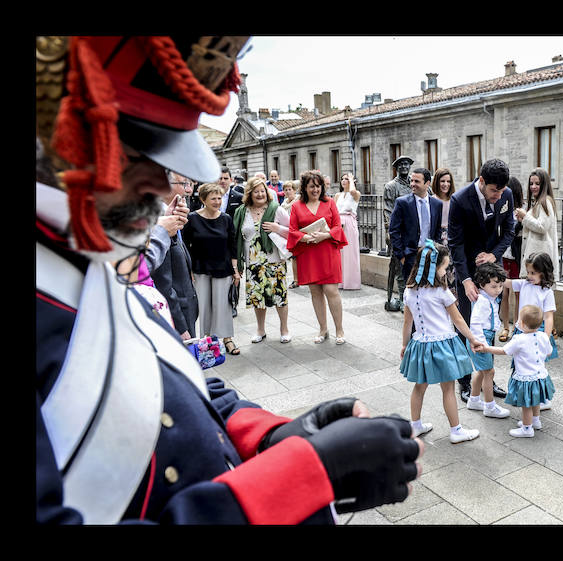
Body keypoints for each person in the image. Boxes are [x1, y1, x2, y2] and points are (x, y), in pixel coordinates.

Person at [35, 34, 423, 525]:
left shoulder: (86, 247)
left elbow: (169, 374)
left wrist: (270, 436)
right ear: (62, 135)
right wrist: (300, 475)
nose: (162, 183)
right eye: (140, 152)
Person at [448, 158, 517, 402]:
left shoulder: (506, 195)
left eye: (501, 190)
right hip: (466, 270)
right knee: (467, 326)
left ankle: (487, 377)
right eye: (493, 190)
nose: (498, 195)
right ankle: (465, 383)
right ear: (481, 180)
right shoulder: (459, 200)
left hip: (491, 273)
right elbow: (454, 242)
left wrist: (494, 255)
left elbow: (509, 231)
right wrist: (465, 279)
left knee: (488, 327)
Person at [399, 240, 481, 444]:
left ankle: (415, 425)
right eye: (444, 267)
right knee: (448, 389)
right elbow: (458, 319)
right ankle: (456, 430)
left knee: (419, 387)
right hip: (443, 345)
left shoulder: (409, 291)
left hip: (420, 345)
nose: (446, 272)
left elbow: (407, 323)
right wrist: (472, 338)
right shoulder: (441, 292)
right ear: (434, 268)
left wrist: (404, 344)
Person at [474, 304, 555, 438]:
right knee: (535, 401)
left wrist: (486, 348)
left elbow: (503, 351)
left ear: (522, 323)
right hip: (540, 376)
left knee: (526, 404)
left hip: (526, 378)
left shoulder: (519, 339)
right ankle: (535, 421)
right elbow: (548, 353)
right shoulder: (543, 336)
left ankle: (527, 428)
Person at [287, 170, 349, 344]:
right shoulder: (296, 206)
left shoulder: (329, 203)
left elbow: (337, 226)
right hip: (309, 252)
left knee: (331, 290)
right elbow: (292, 230)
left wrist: (325, 236)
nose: (316, 189)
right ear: (304, 188)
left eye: (318, 186)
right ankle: (323, 329)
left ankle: (340, 329)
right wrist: (305, 238)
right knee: (315, 291)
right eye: (312, 186)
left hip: (328, 250)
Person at [182, 183, 241, 355]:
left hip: (223, 268)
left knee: (223, 306)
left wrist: (235, 269)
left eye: (219, 198)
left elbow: (232, 245)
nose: (217, 201)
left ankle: (227, 339)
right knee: (204, 305)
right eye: (213, 198)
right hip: (200, 268)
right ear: (203, 200)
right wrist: (189, 268)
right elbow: (185, 244)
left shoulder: (226, 219)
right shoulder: (192, 218)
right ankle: (206, 342)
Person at [234, 176, 293, 344]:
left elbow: (292, 231)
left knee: (279, 297)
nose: (260, 194)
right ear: (249, 194)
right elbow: (238, 236)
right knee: (257, 297)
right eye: (256, 192)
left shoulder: (276, 209)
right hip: (253, 262)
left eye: (262, 191)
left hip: (274, 260)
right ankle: (260, 329)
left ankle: (284, 329)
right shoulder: (242, 211)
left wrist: (277, 228)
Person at [147, 172, 199, 340]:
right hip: (176, 315)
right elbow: (163, 282)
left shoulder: (168, 215)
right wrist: (180, 325)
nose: (189, 190)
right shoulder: (156, 220)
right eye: (184, 184)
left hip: (186, 306)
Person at [506, 252, 559, 411]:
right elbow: (506, 283)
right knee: (520, 364)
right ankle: (522, 395)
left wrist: (546, 338)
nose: (528, 276)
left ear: (544, 273)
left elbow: (549, 317)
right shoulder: (523, 284)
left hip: (538, 332)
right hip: (521, 330)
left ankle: (540, 398)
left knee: (536, 365)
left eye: (533, 273)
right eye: (528, 272)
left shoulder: (547, 292)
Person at [463, 262, 510, 420]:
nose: (498, 290)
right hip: (480, 339)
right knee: (489, 372)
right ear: (482, 285)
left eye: (500, 286)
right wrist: (481, 344)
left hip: (483, 338)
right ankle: (490, 406)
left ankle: (474, 400)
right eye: (494, 286)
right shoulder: (483, 301)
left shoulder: (488, 298)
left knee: (482, 372)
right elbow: (475, 324)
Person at [389, 167, 443, 284]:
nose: (412, 184)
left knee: (430, 291)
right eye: (411, 181)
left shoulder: (437, 204)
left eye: (417, 181)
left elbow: (438, 229)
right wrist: (402, 256)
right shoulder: (402, 203)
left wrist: (436, 249)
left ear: (427, 183)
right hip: (410, 257)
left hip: (430, 255)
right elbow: (393, 230)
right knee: (411, 293)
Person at [517, 168, 559, 281]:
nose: (533, 187)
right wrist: (523, 220)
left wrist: (525, 216)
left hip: (539, 259)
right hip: (536, 258)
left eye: (537, 183)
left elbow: (542, 227)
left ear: (544, 185)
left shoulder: (546, 202)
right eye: (531, 183)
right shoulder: (540, 202)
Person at [383, 156, 414, 311]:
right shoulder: (391, 186)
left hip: (414, 232)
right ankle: (402, 298)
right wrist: (389, 231)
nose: (404, 166)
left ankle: (413, 297)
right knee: (400, 268)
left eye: (406, 164)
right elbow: (387, 210)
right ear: (396, 167)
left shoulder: (414, 184)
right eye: (401, 164)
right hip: (399, 232)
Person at [499, 176, 525, 342]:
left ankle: (516, 325)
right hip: (503, 254)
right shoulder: (501, 207)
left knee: (517, 293)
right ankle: (505, 327)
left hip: (515, 256)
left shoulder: (522, 210)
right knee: (503, 292)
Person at [335, 172, 362, 290]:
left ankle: (352, 282)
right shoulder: (337, 195)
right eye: (342, 179)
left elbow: (352, 192)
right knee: (339, 253)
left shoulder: (356, 194)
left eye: (346, 179)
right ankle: (340, 281)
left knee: (350, 252)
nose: (344, 181)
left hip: (349, 223)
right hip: (338, 223)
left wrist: (351, 179)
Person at [280, 181, 301, 289]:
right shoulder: (283, 204)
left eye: (290, 189)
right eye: (286, 190)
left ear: (294, 190)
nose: (288, 192)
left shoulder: (299, 200)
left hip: (300, 230)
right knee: (294, 257)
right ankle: (296, 280)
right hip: (289, 232)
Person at [432, 167, 456, 245]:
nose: (446, 184)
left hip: (452, 238)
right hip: (436, 240)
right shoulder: (431, 201)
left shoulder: (455, 200)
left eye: (448, 181)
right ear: (436, 182)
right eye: (442, 181)